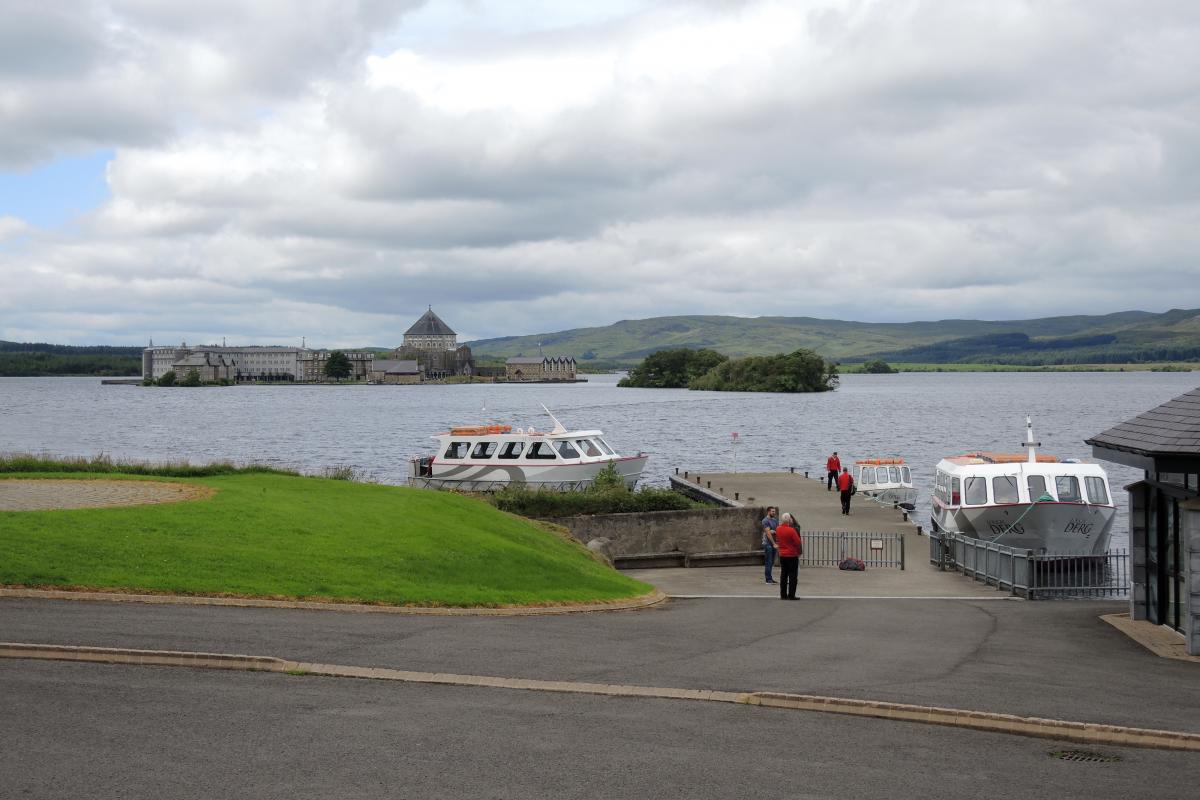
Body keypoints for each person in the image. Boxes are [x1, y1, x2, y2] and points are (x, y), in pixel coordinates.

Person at [775, 512, 803, 600]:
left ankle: (783, 594)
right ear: (788, 520)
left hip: (782, 554)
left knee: (783, 574)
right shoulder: (791, 530)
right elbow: (798, 542)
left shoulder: (778, 529)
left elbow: (778, 539)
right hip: (791, 554)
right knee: (792, 576)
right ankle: (791, 595)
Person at [760, 506, 779, 584]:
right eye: (772, 511)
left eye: (774, 511)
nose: (774, 513)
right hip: (768, 543)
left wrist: (774, 532)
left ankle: (770, 578)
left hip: (774, 543)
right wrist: (774, 543)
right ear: (768, 512)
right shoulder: (765, 520)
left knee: (771, 562)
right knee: (768, 561)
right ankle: (768, 579)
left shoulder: (775, 520)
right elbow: (768, 533)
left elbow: (778, 530)